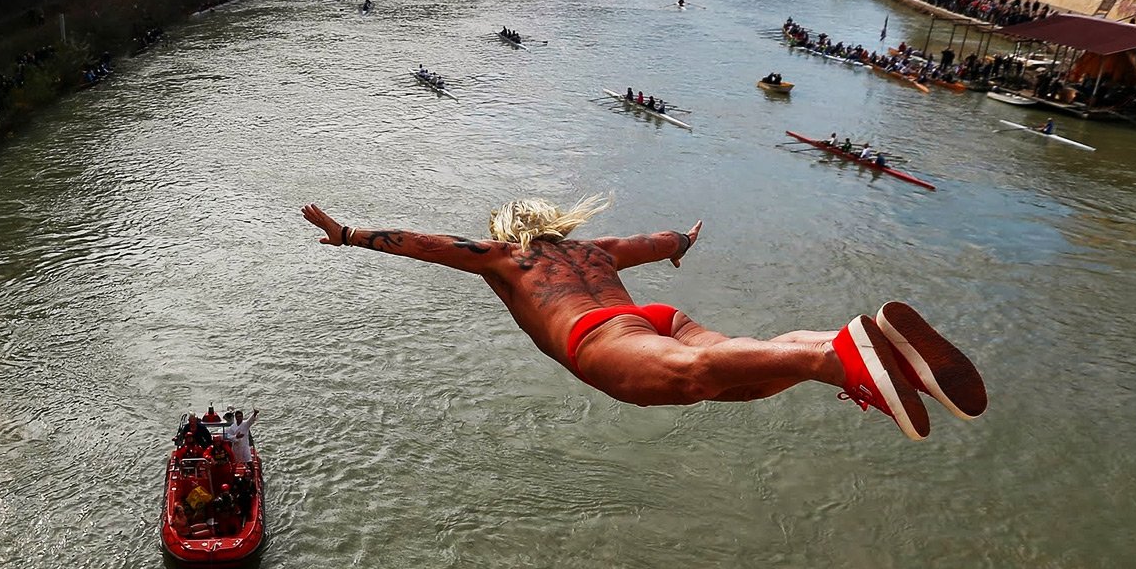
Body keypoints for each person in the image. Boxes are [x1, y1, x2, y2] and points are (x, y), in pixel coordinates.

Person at [301, 199, 986, 440]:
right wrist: (684, 242)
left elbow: (425, 245)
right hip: (656, 315)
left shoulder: (504, 259)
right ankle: (856, 352)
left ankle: (833, 359)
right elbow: (661, 243)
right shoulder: (594, 248)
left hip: (599, 338)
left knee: (694, 378)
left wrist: (351, 235)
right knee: (729, 369)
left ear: (510, 231)